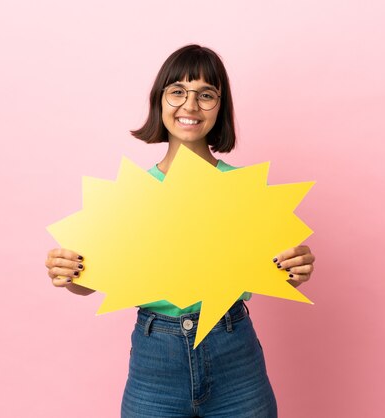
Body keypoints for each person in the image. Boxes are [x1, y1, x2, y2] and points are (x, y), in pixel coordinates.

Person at [44, 44, 315, 417]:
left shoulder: (245, 192)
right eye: (178, 92)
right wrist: (69, 270)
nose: (190, 105)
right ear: (160, 101)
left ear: (220, 107)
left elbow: (279, 274)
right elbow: (87, 283)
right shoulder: (132, 198)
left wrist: (295, 268)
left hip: (234, 353)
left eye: (206, 95)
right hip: (155, 359)